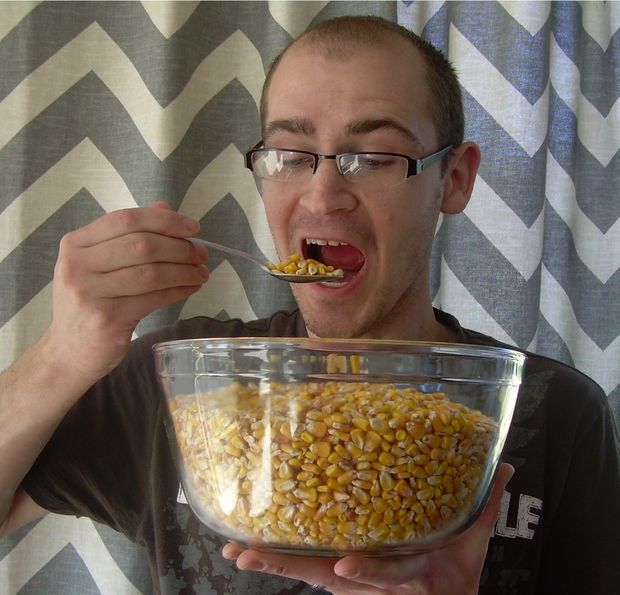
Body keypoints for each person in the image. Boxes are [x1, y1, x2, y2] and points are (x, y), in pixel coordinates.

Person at [1, 15, 619, 595]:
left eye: (375, 157)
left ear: (453, 178)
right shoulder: (184, 382)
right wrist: (61, 355)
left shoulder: (554, 413)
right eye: (291, 156)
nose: (324, 194)